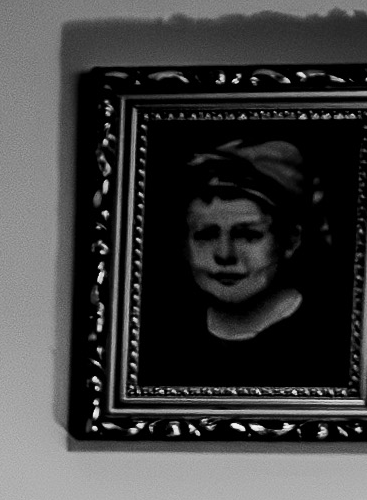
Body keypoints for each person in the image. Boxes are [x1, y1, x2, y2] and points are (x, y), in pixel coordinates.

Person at [139, 135, 340, 386]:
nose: (225, 255)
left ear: (290, 240)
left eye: (248, 235)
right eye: (206, 235)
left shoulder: (327, 342)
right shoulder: (160, 342)